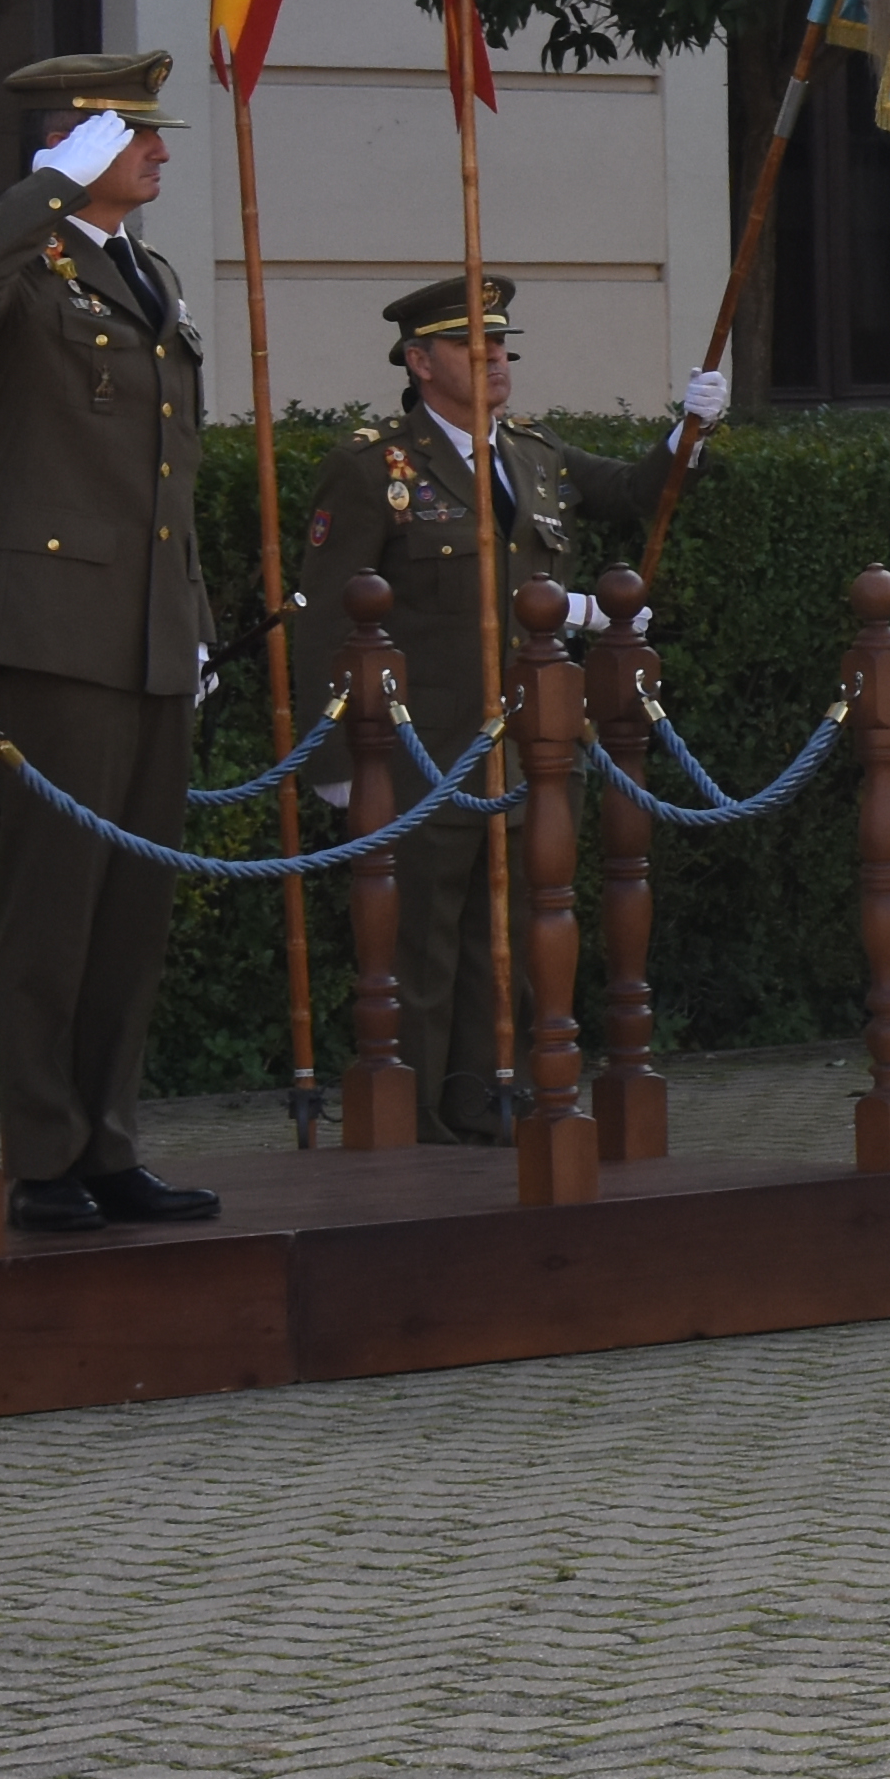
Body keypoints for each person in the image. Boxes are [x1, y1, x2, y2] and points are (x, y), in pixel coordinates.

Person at [288, 274, 722, 1142]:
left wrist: (687, 431)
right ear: (418, 361)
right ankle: (408, 1127)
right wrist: (335, 763)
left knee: (513, 941)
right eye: (470, 347)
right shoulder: (374, 466)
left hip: (523, 746)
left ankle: (490, 1103)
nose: (495, 362)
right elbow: (324, 620)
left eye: (501, 346)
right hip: (415, 751)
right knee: (421, 952)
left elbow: (635, 491)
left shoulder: (530, 452)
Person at [0, 48, 224, 1237]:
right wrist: (50, 181)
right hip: (58, 635)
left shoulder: (142, 272)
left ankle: (110, 1144)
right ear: (82, 146)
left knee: (131, 911)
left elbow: (168, 479)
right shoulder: (25, 264)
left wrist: (195, 614)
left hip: (154, 626)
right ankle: (42, 1151)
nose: (158, 152)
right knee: (55, 909)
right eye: (136, 135)